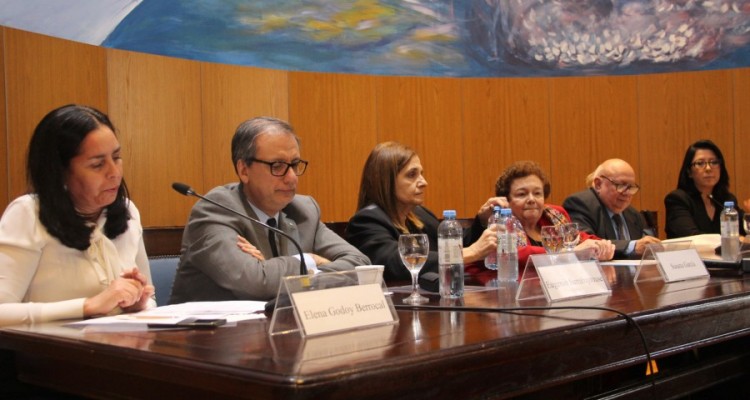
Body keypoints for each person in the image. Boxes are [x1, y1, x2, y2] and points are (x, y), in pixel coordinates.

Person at [169, 117, 370, 303]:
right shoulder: (216, 210)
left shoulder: (303, 210)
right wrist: (310, 260)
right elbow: (254, 283)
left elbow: (361, 265)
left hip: (278, 331)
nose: (291, 177)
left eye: (294, 164)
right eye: (277, 165)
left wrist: (282, 270)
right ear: (244, 170)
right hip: (204, 337)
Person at [0, 104, 154, 327]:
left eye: (117, 157)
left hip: (117, 350)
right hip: (47, 356)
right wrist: (88, 306)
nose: (114, 172)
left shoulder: (128, 211)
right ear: (60, 172)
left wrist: (136, 304)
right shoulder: (28, 214)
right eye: (97, 164)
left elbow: (151, 300)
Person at [346, 141, 498, 289]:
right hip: (397, 307)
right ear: (386, 181)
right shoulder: (366, 221)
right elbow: (397, 263)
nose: (424, 182)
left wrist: (482, 221)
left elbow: (455, 243)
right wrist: (471, 253)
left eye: (421, 174)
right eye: (412, 175)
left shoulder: (419, 214)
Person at [494, 161, 615, 268]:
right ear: (506, 199)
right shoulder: (501, 221)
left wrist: (600, 245)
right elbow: (515, 253)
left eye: (537, 193)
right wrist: (570, 253)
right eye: (521, 194)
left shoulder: (554, 214)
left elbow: (578, 238)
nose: (531, 199)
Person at [563, 159, 661, 258]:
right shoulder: (580, 204)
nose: (627, 193)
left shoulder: (633, 214)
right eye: (621, 185)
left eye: (631, 187)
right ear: (598, 184)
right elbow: (586, 244)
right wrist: (631, 246)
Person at [664, 140, 746, 238]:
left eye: (714, 162)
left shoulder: (726, 200)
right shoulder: (677, 200)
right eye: (700, 163)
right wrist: (734, 239)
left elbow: (745, 229)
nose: (708, 168)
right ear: (689, 172)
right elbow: (692, 237)